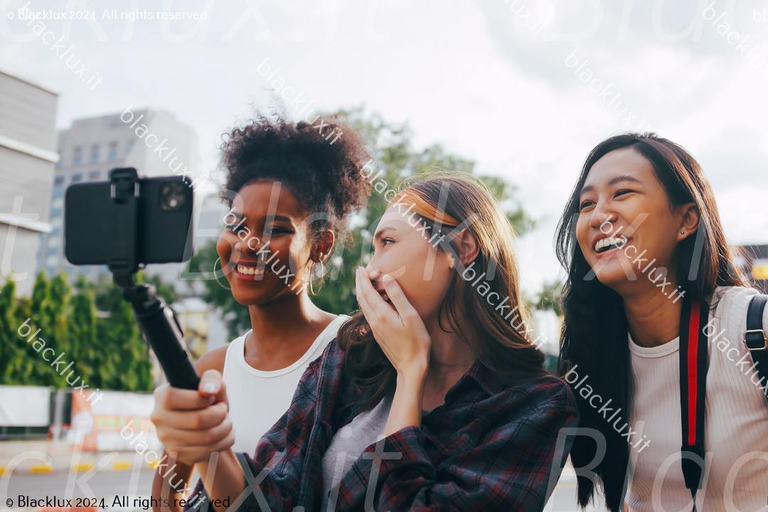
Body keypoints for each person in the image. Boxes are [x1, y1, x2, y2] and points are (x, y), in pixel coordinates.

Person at [156, 174, 578, 511]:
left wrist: (412, 375)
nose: (371, 270)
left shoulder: (536, 406)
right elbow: (267, 499)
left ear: (461, 247)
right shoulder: (346, 361)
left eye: (388, 243)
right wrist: (212, 449)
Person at [150, 113, 372, 511]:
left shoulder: (355, 353)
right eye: (236, 225)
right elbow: (165, 496)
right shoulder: (210, 371)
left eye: (276, 229)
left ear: (320, 246)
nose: (248, 244)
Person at [556, 133, 768, 511]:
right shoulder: (591, 354)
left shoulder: (753, 329)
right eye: (587, 203)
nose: (600, 215)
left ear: (685, 219)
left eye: (622, 193)